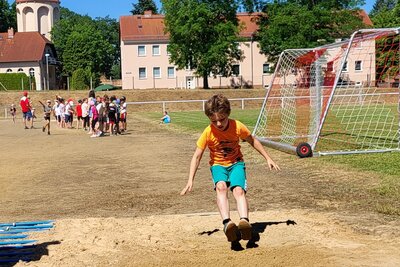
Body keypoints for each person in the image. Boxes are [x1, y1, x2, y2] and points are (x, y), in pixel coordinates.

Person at [180, 94, 280, 243]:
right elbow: (197, 156)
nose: (218, 124)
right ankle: (228, 224)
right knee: (221, 187)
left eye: (222, 119)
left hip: (236, 163)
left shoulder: (237, 126)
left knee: (238, 190)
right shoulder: (208, 132)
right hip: (218, 165)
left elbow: (252, 140)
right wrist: (190, 180)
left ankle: (244, 223)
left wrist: (268, 158)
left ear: (228, 114)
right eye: (214, 121)